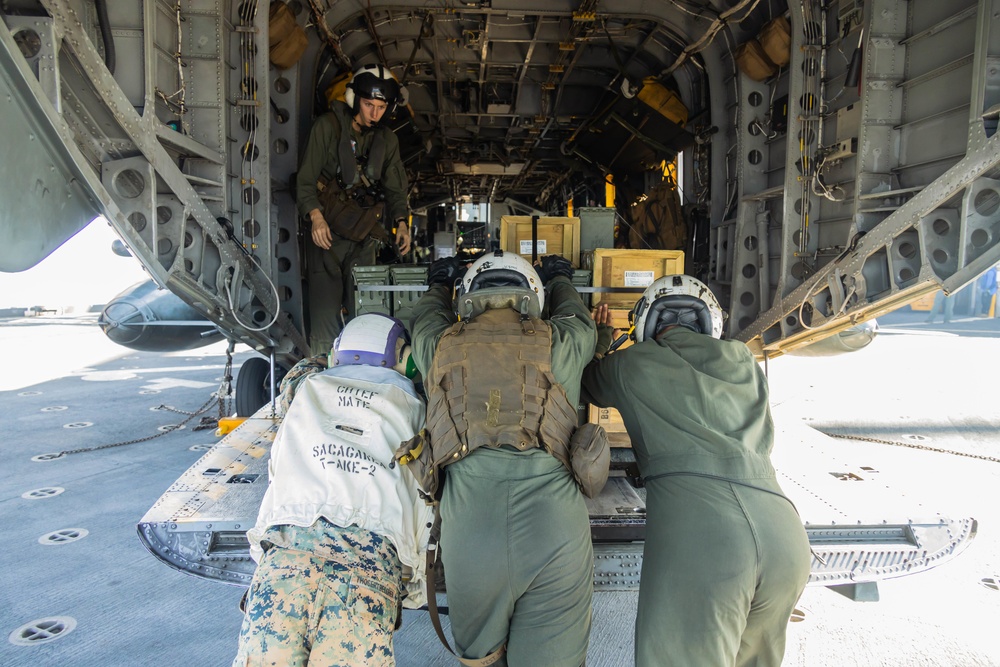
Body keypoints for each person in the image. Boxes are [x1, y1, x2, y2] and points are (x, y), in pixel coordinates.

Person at [583, 276, 811, 667]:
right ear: (711, 323)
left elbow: (583, 382)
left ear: (645, 325)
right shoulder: (746, 363)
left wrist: (601, 336)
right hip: (785, 538)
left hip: (708, 542)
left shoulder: (632, 365)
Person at [400, 250, 600, 667]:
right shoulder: (562, 341)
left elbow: (425, 318)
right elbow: (578, 318)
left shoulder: (438, 343)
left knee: (481, 660)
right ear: (532, 295)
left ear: (467, 297)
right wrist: (560, 276)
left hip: (470, 528)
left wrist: (439, 280)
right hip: (555, 529)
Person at [232, 313, 431, 667]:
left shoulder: (304, 390)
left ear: (336, 356)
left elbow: (301, 370)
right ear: (406, 360)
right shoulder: (419, 410)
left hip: (284, 564)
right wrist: (414, 588)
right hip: (365, 574)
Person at [297, 64, 412, 356]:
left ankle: (364, 373)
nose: (375, 113)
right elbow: (305, 180)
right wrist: (316, 217)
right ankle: (324, 369)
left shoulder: (387, 141)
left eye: (381, 106)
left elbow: (396, 188)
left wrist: (401, 221)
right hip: (327, 238)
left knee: (367, 311)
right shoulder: (328, 127)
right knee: (324, 314)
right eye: (368, 104)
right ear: (353, 99)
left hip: (363, 237)